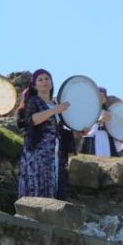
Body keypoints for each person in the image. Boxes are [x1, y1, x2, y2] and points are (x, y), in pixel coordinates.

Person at [17, 69, 77, 199]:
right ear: (34, 85)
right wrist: (55, 110)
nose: (45, 81)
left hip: (55, 152)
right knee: (37, 184)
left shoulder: (55, 104)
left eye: (47, 78)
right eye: (40, 79)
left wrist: (79, 130)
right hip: (38, 151)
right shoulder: (33, 101)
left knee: (55, 185)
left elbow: (61, 129)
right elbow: (31, 120)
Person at [80, 87, 123, 157]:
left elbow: (113, 130)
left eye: (103, 96)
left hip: (106, 139)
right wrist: (99, 121)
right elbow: (83, 131)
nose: (101, 98)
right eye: (99, 96)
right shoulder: (87, 112)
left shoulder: (108, 112)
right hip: (92, 139)